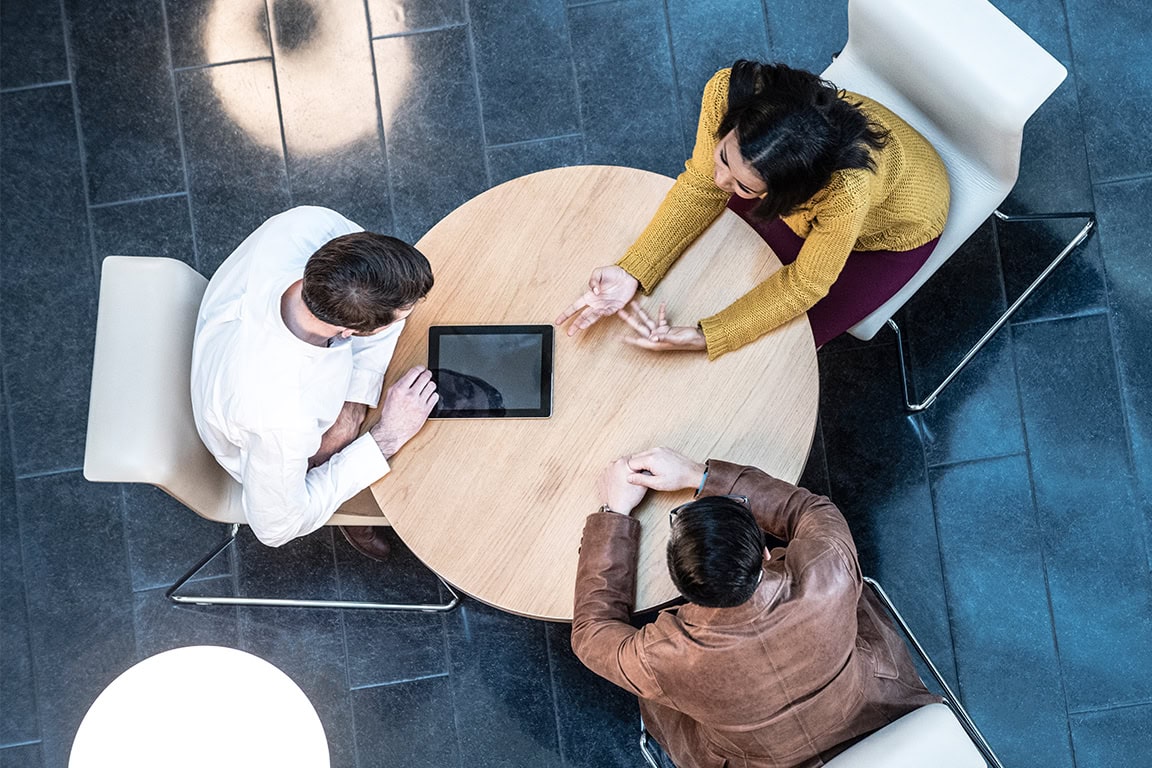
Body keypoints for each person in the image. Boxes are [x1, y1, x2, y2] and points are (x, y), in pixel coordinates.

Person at [573, 447, 939, 768]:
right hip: (876, 707)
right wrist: (696, 474)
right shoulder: (828, 567)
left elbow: (591, 633)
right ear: (764, 553)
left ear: (681, 584)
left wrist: (615, 513)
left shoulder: (664, 657)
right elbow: (807, 507)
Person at [556, 61, 949, 357]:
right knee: (704, 267)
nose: (723, 182)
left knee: (779, 349)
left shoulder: (845, 192)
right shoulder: (728, 92)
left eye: (744, 186)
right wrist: (633, 269)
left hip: (889, 233)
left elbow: (804, 285)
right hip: (803, 197)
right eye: (724, 156)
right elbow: (701, 183)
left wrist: (708, 335)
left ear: (788, 194)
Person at [191, 206, 438, 558]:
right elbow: (276, 528)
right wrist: (386, 436)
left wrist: (350, 413)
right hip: (265, 453)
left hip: (223, 354)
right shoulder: (282, 416)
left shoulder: (308, 226)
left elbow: (377, 313)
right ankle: (358, 509)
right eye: (402, 312)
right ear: (355, 333)